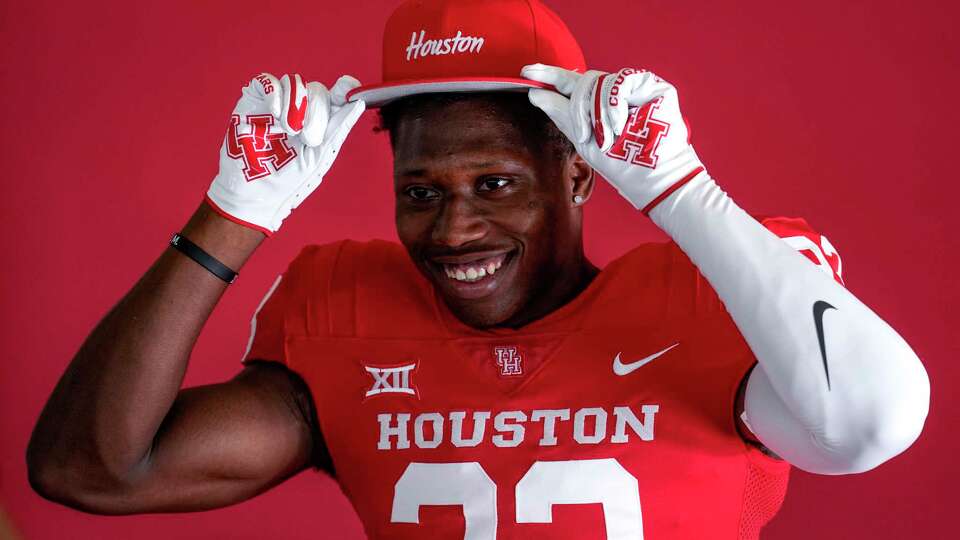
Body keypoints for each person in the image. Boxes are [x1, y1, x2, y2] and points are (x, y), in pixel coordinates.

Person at [27, 0, 930, 538]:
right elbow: (92, 471)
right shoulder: (345, 306)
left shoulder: (708, 295)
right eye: (420, 189)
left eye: (495, 182)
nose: (455, 228)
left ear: (580, 170)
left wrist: (679, 188)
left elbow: (868, 424)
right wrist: (234, 213)